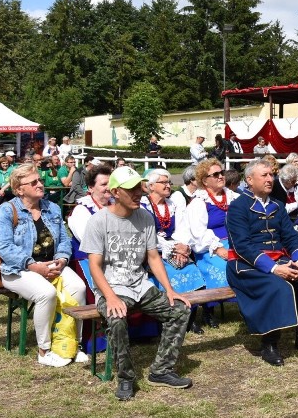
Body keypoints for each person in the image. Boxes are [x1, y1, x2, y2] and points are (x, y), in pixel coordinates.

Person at [81, 166, 193, 400]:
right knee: (117, 318)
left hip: (141, 286)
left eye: (139, 188)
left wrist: (170, 290)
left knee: (180, 309)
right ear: (115, 192)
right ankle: (126, 378)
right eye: (130, 189)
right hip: (112, 288)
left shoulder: (145, 217)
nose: (138, 193)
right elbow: (94, 266)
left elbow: (153, 257)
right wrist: (110, 297)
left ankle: (161, 370)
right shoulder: (98, 221)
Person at [226, 158, 298, 366]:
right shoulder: (238, 207)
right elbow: (242, 246)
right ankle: (269, 344)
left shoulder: (277, 205)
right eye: (264, 175)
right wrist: (274, 268)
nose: (270, 179)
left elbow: (292, 238)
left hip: (280, 260)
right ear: (249, 180)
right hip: (245, 265)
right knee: (277, 287)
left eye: (271, 175)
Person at [0, 163, 87, 368]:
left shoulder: (51, 207)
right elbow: (4, 248)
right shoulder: (5, 211)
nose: (40, 184)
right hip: (17, 269)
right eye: (33, 182)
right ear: (19, 189)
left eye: (40, 180)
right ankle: (44, 351)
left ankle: (74, 345)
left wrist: (61, 260)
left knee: (79, 288)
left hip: (53, 265)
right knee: (46, 293)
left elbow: (64, 239)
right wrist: (34, 266)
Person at [140, 169, 205, 334]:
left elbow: (182, 228)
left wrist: (182, 248)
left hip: (174, 248)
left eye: (169, 182)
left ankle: (189, 317)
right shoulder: (143, 205)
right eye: (164, 182)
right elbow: (147, 234)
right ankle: (171, 319)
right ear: (152, 186)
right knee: (170, 274)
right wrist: (172, 248)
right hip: (153, 251)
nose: (169, 185)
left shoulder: (172, 204)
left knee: (193, 271)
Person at [183, 158, 238, 328]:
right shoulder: (199, 202)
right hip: (208, 247)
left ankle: (249, 305)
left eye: (221, 173)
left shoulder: (233, 197)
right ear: (205, 180)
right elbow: (198, 232)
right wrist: (218, 247)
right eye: (216, 174)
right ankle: (209, 309)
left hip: (235, 242)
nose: (221, 176)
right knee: (221, 267)